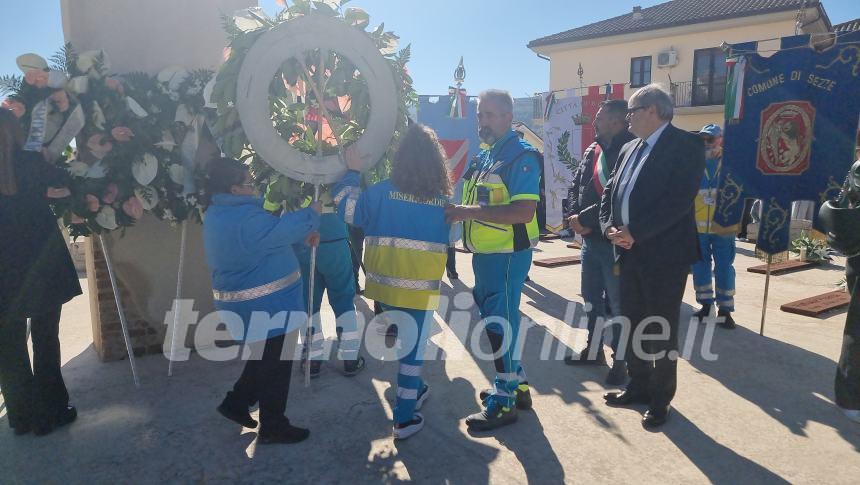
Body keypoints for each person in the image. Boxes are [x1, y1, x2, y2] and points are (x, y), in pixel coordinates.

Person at [334, 124, 452, 440]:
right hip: (421, 289)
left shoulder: (380, 192)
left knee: (405, 342)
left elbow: (347, 210)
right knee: (413, 353)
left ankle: (415, 389)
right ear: (435, 163)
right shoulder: (444, 204)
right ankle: (404, 418)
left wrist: (352, 172)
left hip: (384, 287)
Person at [599, 84, 704, 429]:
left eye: (632, 110)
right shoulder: (629, 147)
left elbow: (678, 201)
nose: (626, 117)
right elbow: (611, 194)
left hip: (665, 256)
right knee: (633, 323)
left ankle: (661, 400)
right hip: (628, 252)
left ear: (654, 110)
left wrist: (636, 232)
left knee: (660, 329)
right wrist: (609, 227)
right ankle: (639, 385)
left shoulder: (686, 145)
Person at [202, 157, 320, 445]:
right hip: (267, 305)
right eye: (248, 182)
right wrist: (310, 214)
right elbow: (277, 231)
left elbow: (265, 243)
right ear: (234, 188)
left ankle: (236, 403)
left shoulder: (223, 214)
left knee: (264, 358)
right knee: (276, 365)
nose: (254, 187)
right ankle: (273, 425)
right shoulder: (244, 219)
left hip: (257, 305)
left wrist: (298, 239)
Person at [445, 89, 540, 431]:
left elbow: (523, 210)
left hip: (506, 255)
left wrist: (463, 212)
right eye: (479, 114)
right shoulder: (486, 155)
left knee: (501, 324)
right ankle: (519, 385)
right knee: (502, 319)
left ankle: (504, 401)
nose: (481, 121)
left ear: (507, 117)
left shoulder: (522, 155)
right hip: (486, 254)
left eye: (488, 114)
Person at [0, 109, 82, 436]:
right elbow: (65, 183)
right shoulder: (30, 162)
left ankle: (21, 415)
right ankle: (51, 410)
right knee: (47, 337)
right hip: (41, 262)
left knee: (8, 343)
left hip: (4, 267)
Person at [563, 99, 635, 385]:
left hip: (613, 240)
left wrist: (584, 219)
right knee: (591, 298)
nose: (594, 122)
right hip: (590, 242)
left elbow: (615, 196)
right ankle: (594, 350)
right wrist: (572, 216)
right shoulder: (593, 149)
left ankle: (622, 360)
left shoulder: (630, 150)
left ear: (617, 121)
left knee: (617, 303)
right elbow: (575, 185)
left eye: (601, 117)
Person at [263, 187, 365, 379]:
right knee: (344, 301)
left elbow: (270, 208)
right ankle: (350, 358)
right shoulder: (338, 175)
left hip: (302, 245)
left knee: (308, 303)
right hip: (335, 244)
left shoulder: (286, 174)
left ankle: (312, 358)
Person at [691, 124, 737, 329]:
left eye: (710, 139)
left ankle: (725, 310)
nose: (706, 143)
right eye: (703, 140)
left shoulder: (732, 163)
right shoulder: (694, 161)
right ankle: (706, 305)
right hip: (698, 226)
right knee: (700, 266)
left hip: (724, 225)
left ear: (721, 139)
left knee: (724, 267)